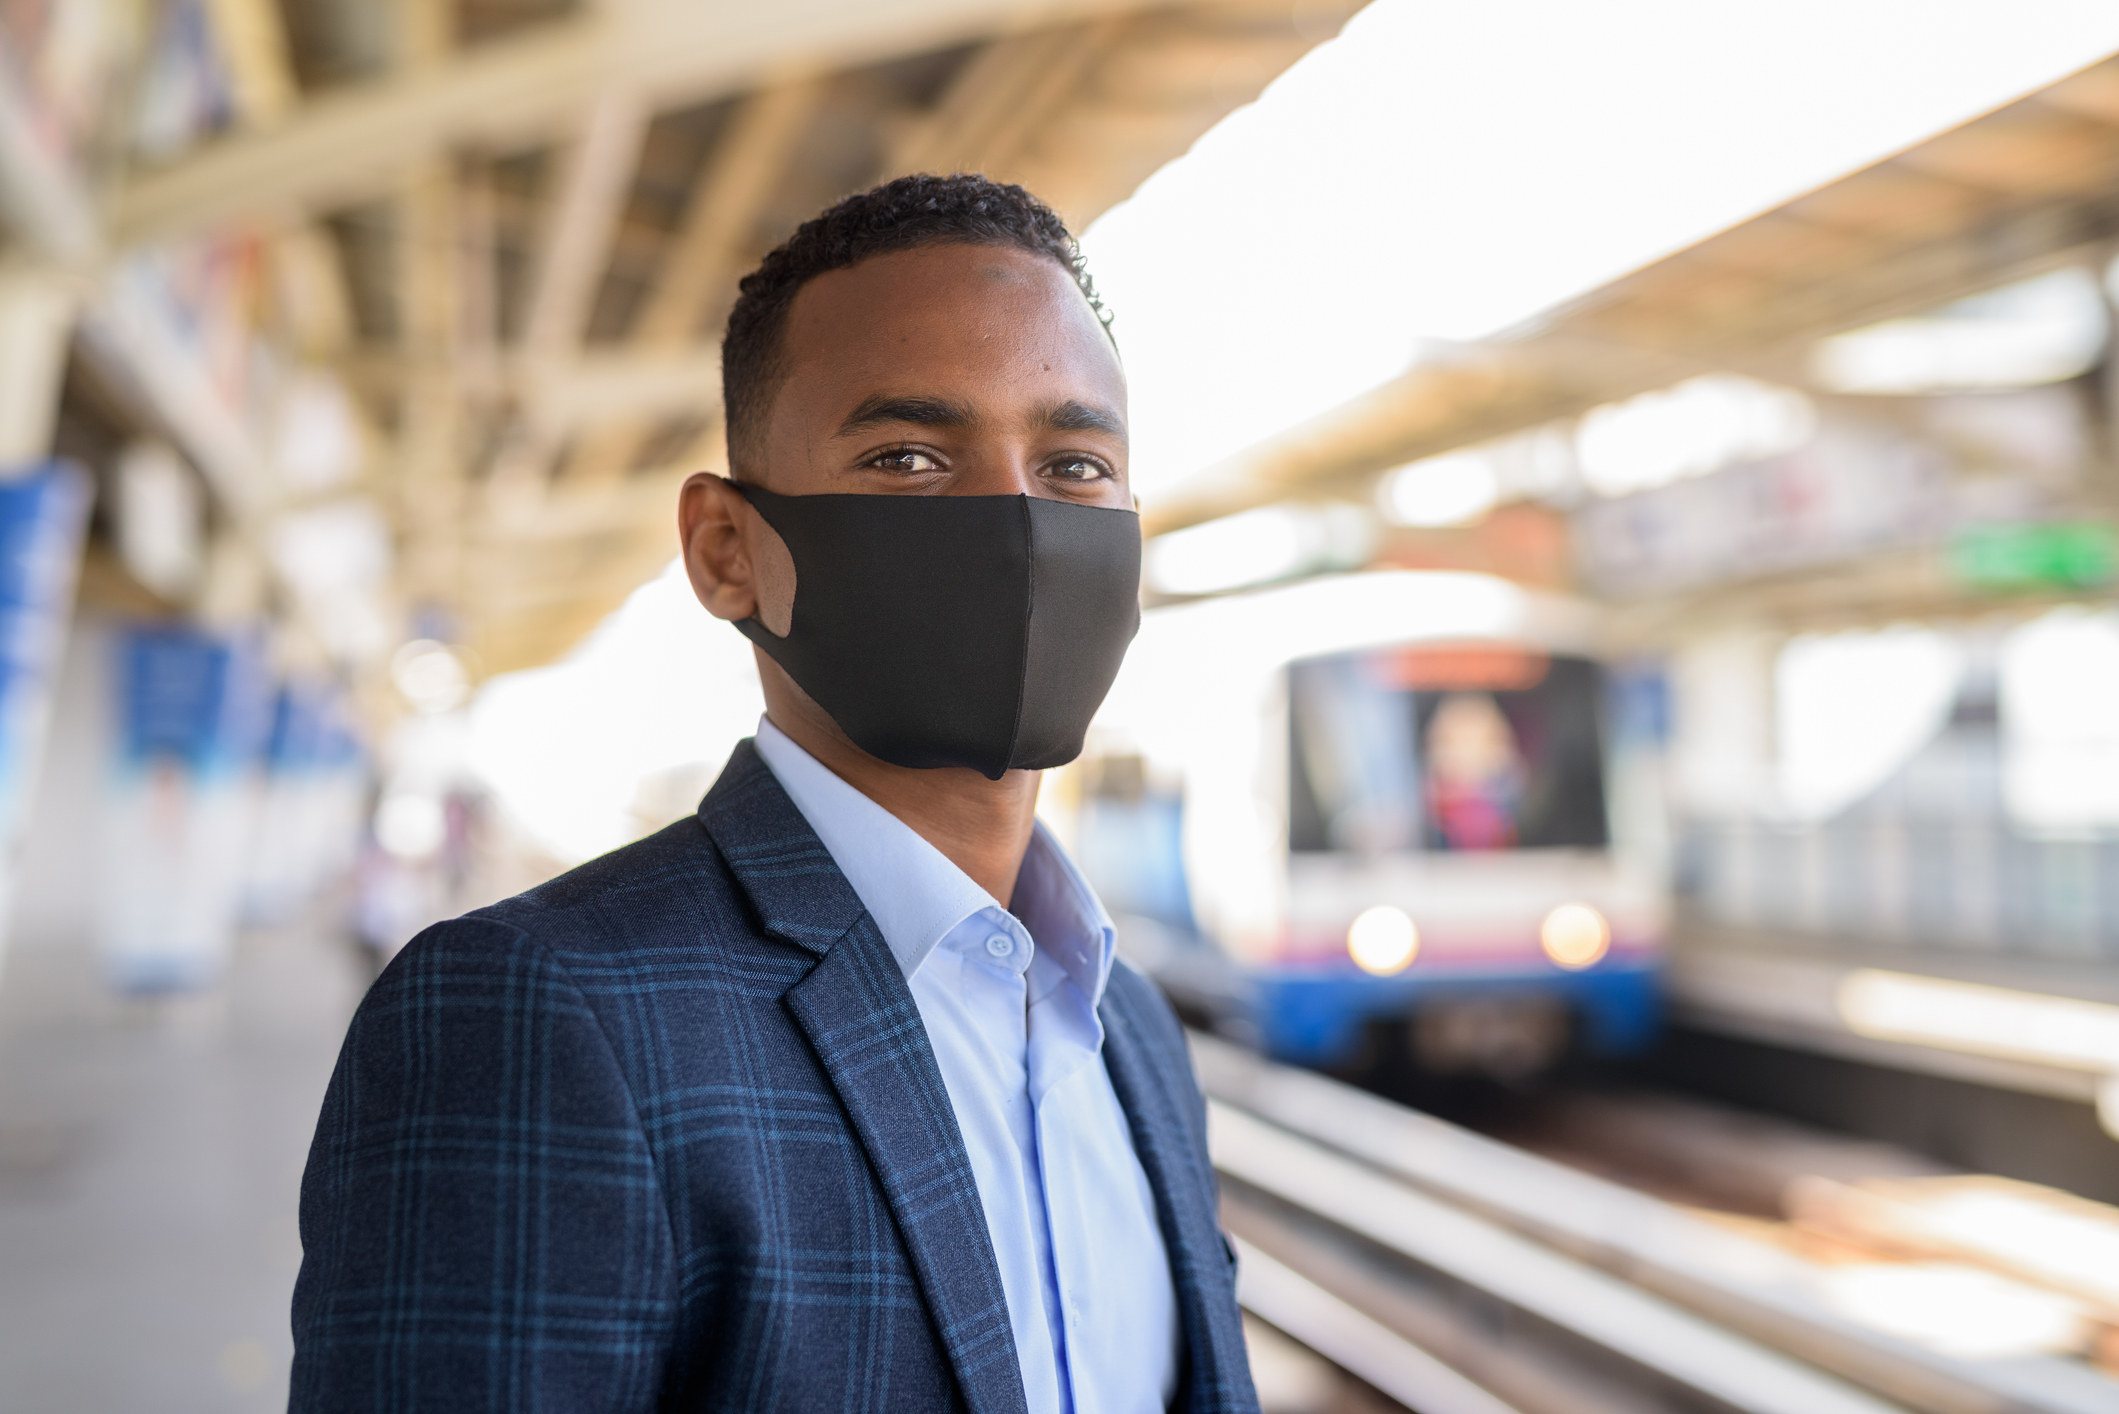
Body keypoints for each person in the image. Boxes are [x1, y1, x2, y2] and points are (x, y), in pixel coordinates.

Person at [290, 175, 1258, 1414]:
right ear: (726, 550)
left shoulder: (1132, 1028)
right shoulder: (538, 1017)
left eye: (1074, 462)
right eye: (907, 456)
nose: (1015, 519)